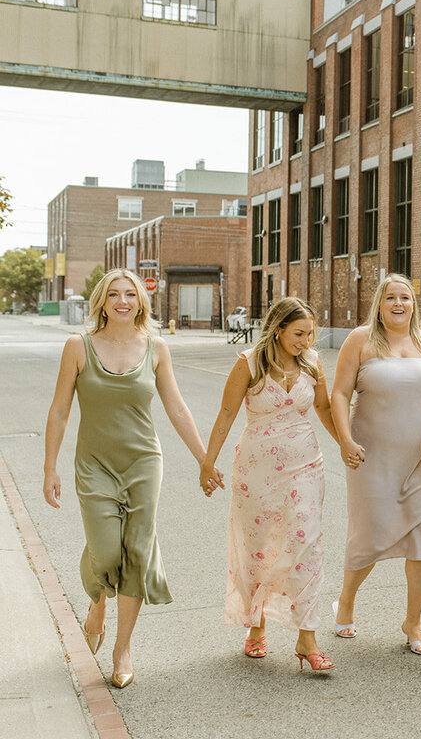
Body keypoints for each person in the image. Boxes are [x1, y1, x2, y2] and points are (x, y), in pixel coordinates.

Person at [42, 269, 209, 688]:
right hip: (94, 463)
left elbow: (177, 409)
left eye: (129, 294)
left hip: (143, 463)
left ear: (140, 301)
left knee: (136, 551)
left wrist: (205, 460)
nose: (122, 300)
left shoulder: (156, 348)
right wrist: (49, 467)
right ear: (101, 301)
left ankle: (122, 649)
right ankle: (98, 600)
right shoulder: (78, 347)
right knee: (105, 551)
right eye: (114, 294)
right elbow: (60, 410)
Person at [200, 297, 340, 673]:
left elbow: (325, 408)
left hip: (307, 464)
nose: (306, 341)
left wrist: (346, 443)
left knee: (307, 544)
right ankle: (256, 626)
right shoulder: (248, 363)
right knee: (260, 548)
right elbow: (227, 413)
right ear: (278, 330)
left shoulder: (312, 363)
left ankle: (307, 637)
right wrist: (207, 462)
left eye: (310, 334)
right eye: (299, 333)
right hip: (257, 470)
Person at [329, 274, 421, 654]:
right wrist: (345, 440)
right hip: (372, 459)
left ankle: (413, 622)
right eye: (391, 298)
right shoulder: (360, 340)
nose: (399, 304)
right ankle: (347, 601)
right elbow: (338, 392)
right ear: (379, 304)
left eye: (405, 298)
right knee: (369, 535)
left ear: (414, 304)